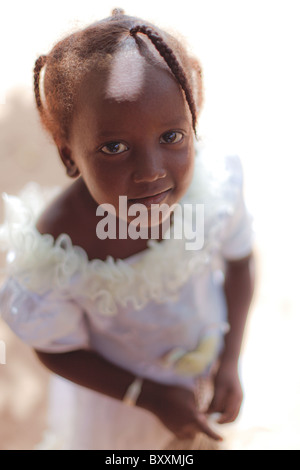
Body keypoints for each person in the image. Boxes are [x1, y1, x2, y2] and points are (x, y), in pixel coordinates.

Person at [0, 9, 255, 450]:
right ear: (69, 155)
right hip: (121, 405)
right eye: (114, 147)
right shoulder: (55, 255)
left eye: (172, 137)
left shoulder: (213, 190)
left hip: (205, 374)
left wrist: (229, 362)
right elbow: (54, 348)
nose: (151, 173)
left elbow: (241, 262)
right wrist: (149, 396)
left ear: (193, 123)